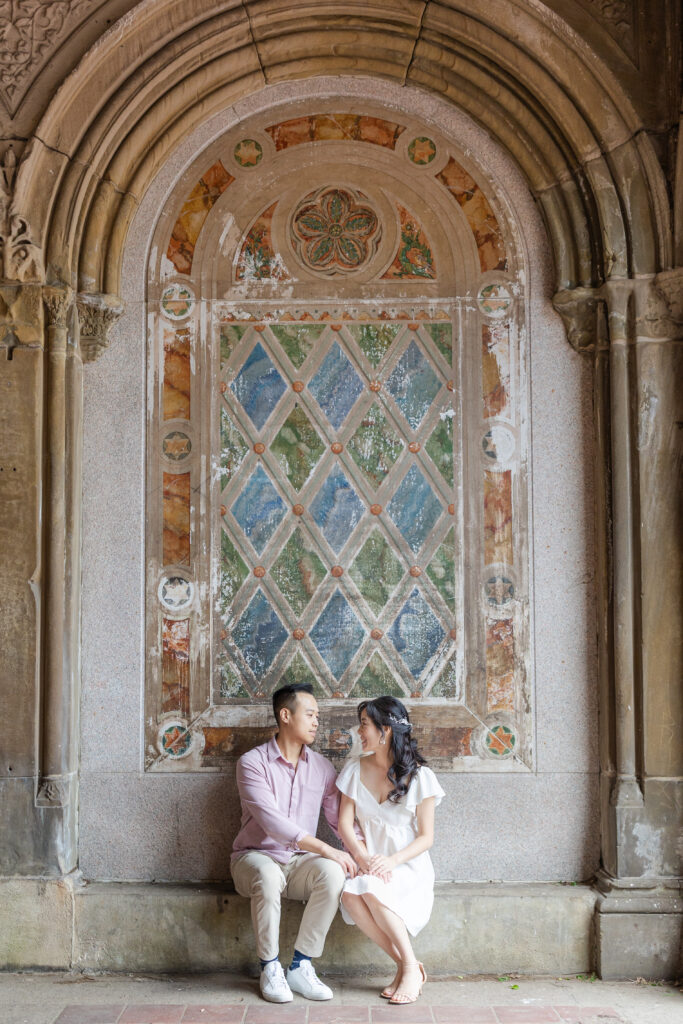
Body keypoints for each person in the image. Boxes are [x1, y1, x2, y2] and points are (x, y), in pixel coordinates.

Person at [231, 682, 357, 1003]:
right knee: (269, 874)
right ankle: (269, 967)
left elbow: (338, 822)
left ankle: (301, 966)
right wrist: (327, 848)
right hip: (253, 859)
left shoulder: (323, 768)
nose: (317, 722)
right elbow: (272, 822)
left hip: (299, 863)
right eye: (310, 714)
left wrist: (365, 855)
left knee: (332, 872)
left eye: (318, 716)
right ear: (285, 715)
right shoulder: (252, 763)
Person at [336, 696, 445, 1005]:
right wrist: (362, 856)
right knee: (349, 894)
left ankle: (409, 966)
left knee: (368, 888)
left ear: (385, 730)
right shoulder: (355, 769)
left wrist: (391, 861)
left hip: (407, 866)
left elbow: (426, 838)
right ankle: (406, 965)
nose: (359, 731)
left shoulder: (421, 777)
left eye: (364, 725)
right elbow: (345, 823)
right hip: (371, 862)